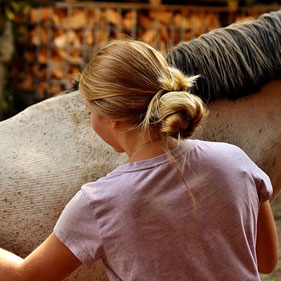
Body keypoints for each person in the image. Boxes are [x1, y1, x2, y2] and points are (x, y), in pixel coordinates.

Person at [0, 40, 278, 281]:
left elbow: (26, 276)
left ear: (113, 118)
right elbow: (266, 261)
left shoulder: (98, 203)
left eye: (90, 112)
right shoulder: (235, 160)